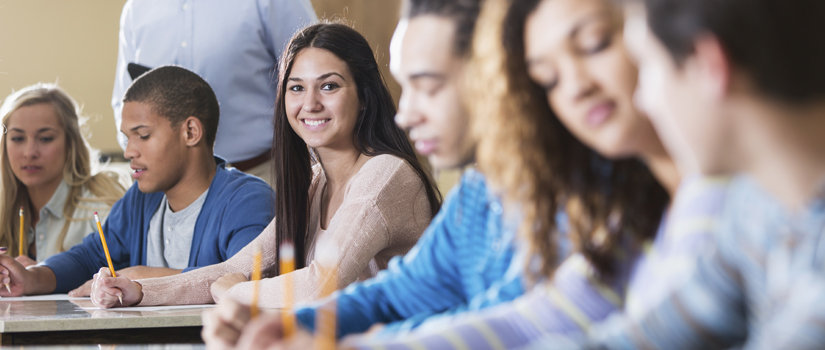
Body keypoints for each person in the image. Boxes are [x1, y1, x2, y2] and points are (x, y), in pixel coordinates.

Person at [199, 1, 553, 347]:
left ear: (496, 76)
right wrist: (288, 328)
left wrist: (242, 296)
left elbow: (528, 321)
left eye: (427, 86)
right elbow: (394, 296)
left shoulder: (559, 198)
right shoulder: (476, 195)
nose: (406, 114)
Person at [89, 23, 442, 312]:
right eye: (296, 88)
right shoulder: (316, 183)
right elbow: (235, 269)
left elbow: (319, 285)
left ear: (364, 97)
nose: (310, 104)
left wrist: (234, 293)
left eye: (329, 86)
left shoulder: (384, 175)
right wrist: (138, 290)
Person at [0, 66, 275, 297]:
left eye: (142, 135)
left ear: (190, 132)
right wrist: (33, 277)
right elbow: (89, 256)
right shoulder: (142, 199)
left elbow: (246, 279)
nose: (129, 151)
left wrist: (141, 279)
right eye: (127, 137)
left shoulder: (247, 200)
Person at [112, 0, 317, 184]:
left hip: (261, 176)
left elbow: (314, 71)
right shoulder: (136, 9)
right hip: (169, 190)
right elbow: (124, 99)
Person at [0, 83, 126, 264]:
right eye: (18, 138)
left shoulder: (100, 205)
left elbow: (126, 280)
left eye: (45, 138)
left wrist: (43, 276)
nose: (29, 152)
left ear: (71, 143)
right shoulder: (4, 207)